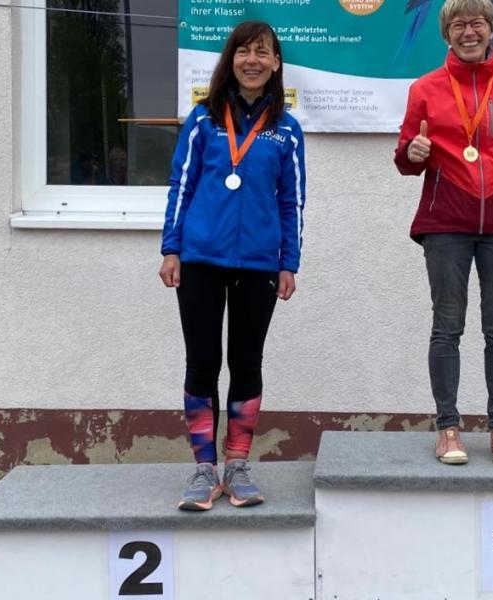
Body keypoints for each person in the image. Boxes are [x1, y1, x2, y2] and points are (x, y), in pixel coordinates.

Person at [394, 0, 493, 467]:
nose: (469, 32)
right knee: (447, 327)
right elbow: (406, 157)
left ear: (491, 29)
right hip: (445, 222)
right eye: (459, 24)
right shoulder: (425, 88)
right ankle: (448, 428)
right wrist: (412, 153)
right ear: (446, 33)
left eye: (477, 23)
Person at [159, 21, 306, 510]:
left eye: (262, 52)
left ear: (276, 63)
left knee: (247, 363)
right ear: (231, 60)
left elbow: (291, 201)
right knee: (202, 362)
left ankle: (238, 464)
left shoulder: (287, 130)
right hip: (200, 259)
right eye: (243, 51)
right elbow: (181, 185)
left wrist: (289, 262)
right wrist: (171, 248)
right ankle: (204, 469)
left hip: (260, 264)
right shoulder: (203, 119)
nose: (252, 61)